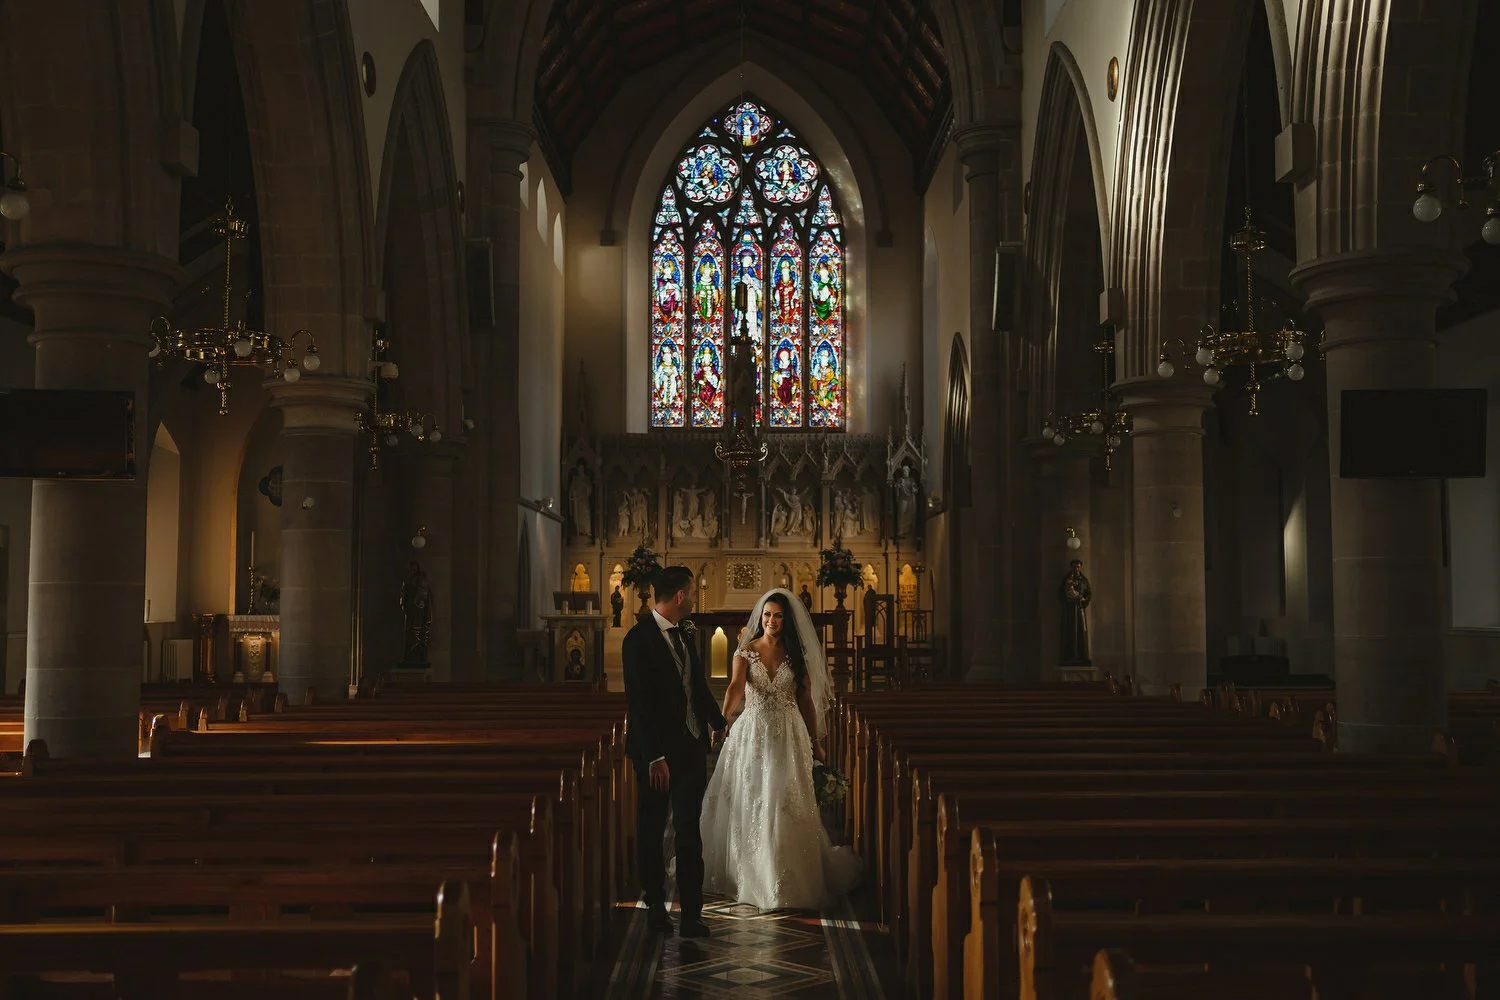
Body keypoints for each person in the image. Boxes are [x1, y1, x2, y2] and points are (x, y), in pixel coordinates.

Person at [700, 589, 862, 911]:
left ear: (786, 620)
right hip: (754, 733)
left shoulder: (796, 655)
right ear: (760, 619)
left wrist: (816, 743)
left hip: (789, 734)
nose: (771, 621)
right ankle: (752, 874)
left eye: (777, 616)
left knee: (785, 800)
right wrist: (722, 721)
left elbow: (806, 702)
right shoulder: (745, 652)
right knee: (754, 798)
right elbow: (734, 688)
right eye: (767, 615)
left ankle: (787, 876)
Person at [622, 566, 728, 938]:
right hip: (656, 755)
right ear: (680, 596)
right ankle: (655, 905)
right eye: (692, 592)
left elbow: (695, 685)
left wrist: (717, 722)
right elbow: (639, 705)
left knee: (689, 830)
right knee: (652, 829)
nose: (696, 598)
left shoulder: (686, 634)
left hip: (690, 748)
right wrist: (653, 757)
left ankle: (692, 913)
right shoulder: (638, 640)